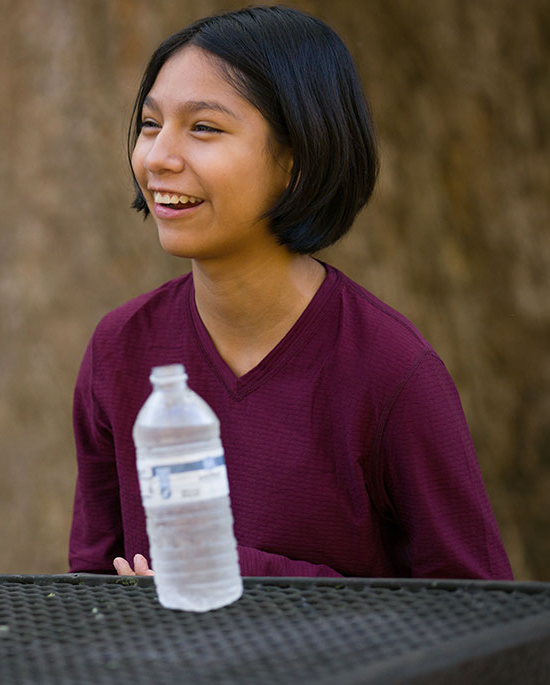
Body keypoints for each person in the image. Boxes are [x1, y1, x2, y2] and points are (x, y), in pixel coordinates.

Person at [68, 6, 513, 579]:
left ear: (297, 161)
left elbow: (480, 619)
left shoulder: (393, 372)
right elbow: (87, 588)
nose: (157, 158)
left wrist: (252, 579)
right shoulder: (121, 350)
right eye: (151, 124)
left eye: (204, 127)